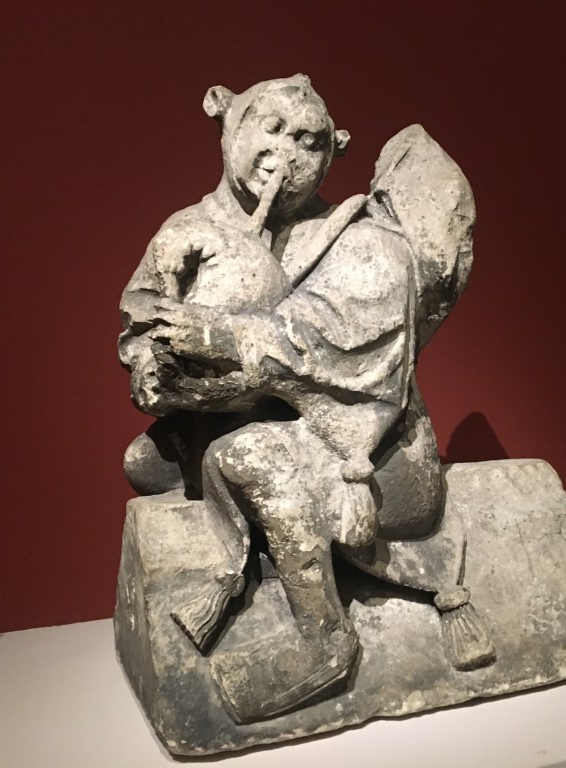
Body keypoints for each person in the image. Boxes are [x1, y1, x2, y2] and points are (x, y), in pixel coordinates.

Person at [121, 76, 485, 722]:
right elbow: (140, 328)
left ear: (334, 152)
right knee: (146, 463)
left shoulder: (358, 243)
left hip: (364, 451)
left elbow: (300, 351)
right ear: (230, 123)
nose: (285, 154)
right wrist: (153, 363)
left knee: (246, 456)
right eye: (272, 129)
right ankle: (246, 556)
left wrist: (213, 337)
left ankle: (325, 641)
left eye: (309, 142)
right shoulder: (188, 229)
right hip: (260, 413)